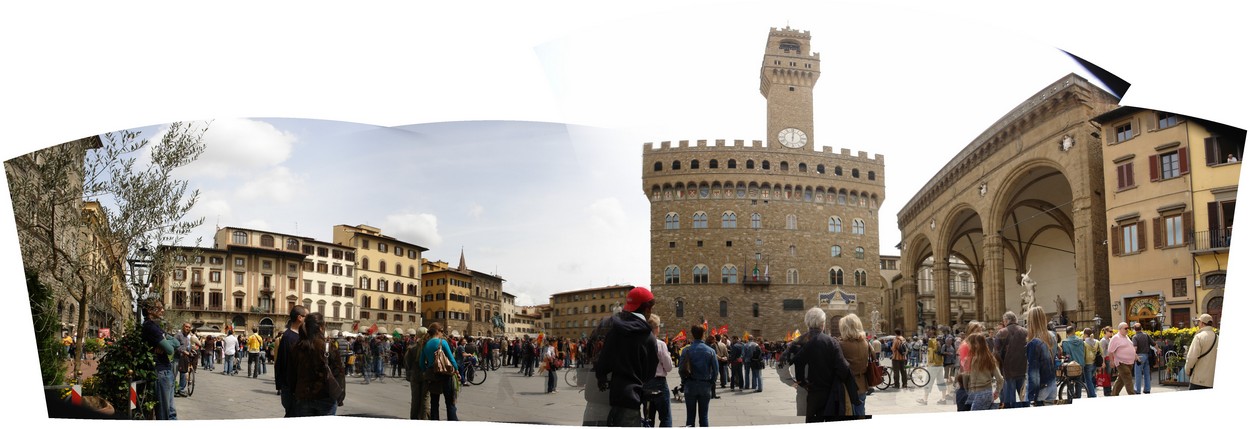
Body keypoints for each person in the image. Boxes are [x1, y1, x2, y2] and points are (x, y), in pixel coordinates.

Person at [595, 287, 659, 427]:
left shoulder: (614, 330)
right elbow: (649, 373)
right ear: (647, 309)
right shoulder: (648, 337)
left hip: (611, 397)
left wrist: (603, 377)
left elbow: (603, 362)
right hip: (632, 398)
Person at [792, 307, 857, 422]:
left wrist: (802, 382)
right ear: (822, 324)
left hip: (813, 392)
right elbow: (843, 367)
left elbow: (798, 361)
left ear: (807, 323)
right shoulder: (831, 342)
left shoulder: (802, 342)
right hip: (830, 392)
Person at [290, 313, 343, 416]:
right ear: (321, 327)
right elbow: (339, 372)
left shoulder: (297, 347)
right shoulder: (328, 347)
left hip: (303, 396)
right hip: (325, 396)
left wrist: (295, 392)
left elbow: (292, 373)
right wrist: (339, 396)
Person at [140, 299, 178, 420]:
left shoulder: (156, 326)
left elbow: (176, 343)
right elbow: (170, 350)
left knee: (171, 412)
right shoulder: (150, 327)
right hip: (160, 372)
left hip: (166, 371)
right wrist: (166, 344)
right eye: (159, 308)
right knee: (164, 414)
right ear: (150, 310)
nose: (163, 310)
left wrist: (164, 343)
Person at [677, 325, 718, 427]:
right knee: (704, 416)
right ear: (703, 335)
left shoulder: (686, 350)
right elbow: (716, 371)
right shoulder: (710, 351)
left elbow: (681, 369)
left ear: (692, 335)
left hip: (690, 384)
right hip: (705, 384)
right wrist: (711, 382)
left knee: (690, 417)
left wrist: (684, 381)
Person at [418, 322, 460, 421]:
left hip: (433, 376)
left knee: (434, 403)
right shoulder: (442, 342)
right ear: (437, 331)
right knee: (450, 403)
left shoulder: (425, 344)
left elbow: (421, 363)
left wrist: (427, 370)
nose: (442, 333)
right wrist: (457, 371)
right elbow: (452, 359)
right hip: (445, 375)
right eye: (441, 331)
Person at [274, 305, 308, 417]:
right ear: (300, 318)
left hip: (294, 388)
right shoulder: (289, 337)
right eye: (307, 316)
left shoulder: (297, 336)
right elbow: (282, 363)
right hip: (292, 389)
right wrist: (283, 386)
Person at [836, 314, 870, 417]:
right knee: (860, 412)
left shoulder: (840, 345)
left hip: (847, 386)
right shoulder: (865, 343)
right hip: (862, 383)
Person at [642, 315, 673, 427]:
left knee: (648, 418)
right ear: (655, 328)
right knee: (665, 417)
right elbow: (669, 367)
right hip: (659, 383)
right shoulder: (660, 344)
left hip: (644, 383)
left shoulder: (640, 343)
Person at [994, 310, 1028, 407]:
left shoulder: (1001, 332)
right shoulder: (1025, 332)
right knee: (1024, 399)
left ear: (1006, 320)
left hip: (1008, 371)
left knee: (1009, 401)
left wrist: (1000, 368)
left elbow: (996, 354)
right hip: (1022, 369)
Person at [1023, 307, 1056, 406]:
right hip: (1052, 384)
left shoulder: (1034, 343)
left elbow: (1034, 375)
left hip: (1040, 389)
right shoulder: (1052, 336)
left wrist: (1031, 396)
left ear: (1030, 322)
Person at [962, 333, 1003, 411]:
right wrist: (997, 392)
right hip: (986, 392)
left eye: (969, 344)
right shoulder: (990, 358)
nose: (968, 346)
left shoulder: (973, 359)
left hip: (979, 394)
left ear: (976, 345)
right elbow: (1000, 379)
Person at [1184, 314, 1218, 390]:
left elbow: (1191, 357)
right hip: (1212, 379)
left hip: (1199, 379)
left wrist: (1187, 370)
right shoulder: (1217, 337)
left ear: (1202, 323)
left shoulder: (1199, 337)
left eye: (1199, 322)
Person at [775, 337, 807, 416]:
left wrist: (790, 381)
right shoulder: (829, 342)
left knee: (803, 416)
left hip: (804, 386)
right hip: (826, 388)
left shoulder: (798, 343)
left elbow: (781, 365)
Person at [405, 327, 431, 419]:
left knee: (415, 399)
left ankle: (414, 418)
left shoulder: (412, 348)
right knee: (425, 399)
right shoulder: (429, 347)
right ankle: (424, 419)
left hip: (415, 375)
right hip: (426, 375)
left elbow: (407, 363)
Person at [1107, 322, 1137, 395]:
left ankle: (1114, 394)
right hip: (1121, 362)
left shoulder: (1126, 337)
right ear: (1120, 329)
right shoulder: (1116, 338)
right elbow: (1110, 351)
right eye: (1125, 328)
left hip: (1129, 362)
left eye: (1128, 328)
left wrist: (1135, 356)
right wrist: (1111, 361)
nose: (1127, 330)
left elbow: (1131, 348)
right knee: (1128, 378)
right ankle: (1132, 395)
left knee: (1121, 380)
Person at [1058, 325, 1086, 399]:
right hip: (1080, 364)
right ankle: (1078, 398)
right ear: (1074, 332)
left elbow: (1066, 354)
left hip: (1070, 365)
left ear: (1067, 333)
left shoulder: (1065, 342)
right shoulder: (1081, 341)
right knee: (1079, 383)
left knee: (1070, 384)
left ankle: (1071, 399)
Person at [1131, 321, 1155, 394]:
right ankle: (1147, 389)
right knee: (1147, 374)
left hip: (1139, 356)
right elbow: (1153, 344)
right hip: (1147, 355)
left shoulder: (1135, 337)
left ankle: (1137, 390)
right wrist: (1158, 349)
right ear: (1141, 328)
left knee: (1138, 374)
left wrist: (1135, 356)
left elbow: (1135, 348)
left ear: (1134, 329)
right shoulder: (1146, 335)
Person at [1080, 328, 1099, 398]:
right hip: (1095, 362)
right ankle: (1092, 392)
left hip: (1087, 363)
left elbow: (1083, 353)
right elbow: (1100, 352)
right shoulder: (1096, 341)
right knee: (1091, 379)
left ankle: (1092, 395)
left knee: (1088, 381)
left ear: (1085, 334)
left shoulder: (1084, 343)